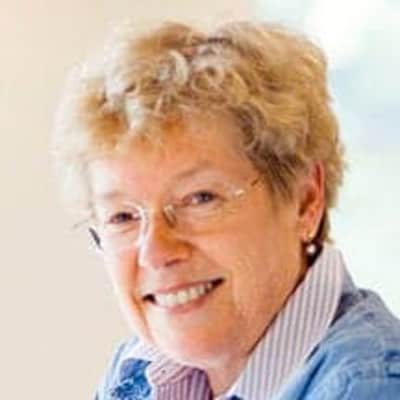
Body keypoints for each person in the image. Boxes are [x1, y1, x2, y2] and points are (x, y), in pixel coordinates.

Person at [53, 20, 400, 399]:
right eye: (122, 217)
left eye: (200, 198)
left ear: (305, 200)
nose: (155, 252)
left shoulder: (369, 385)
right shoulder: (138, 372)